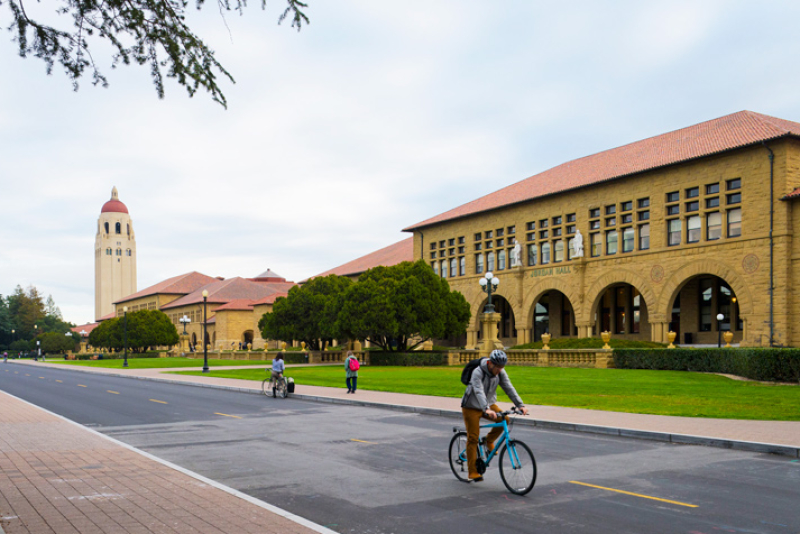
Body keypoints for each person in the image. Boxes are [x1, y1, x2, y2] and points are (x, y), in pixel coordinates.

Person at [461, 349, 529, 482]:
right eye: (497, 367)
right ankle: (472, 471)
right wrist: (485, 409)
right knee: (473, 437)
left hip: (489, 404)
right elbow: (478, 391)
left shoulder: (500, 372)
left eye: (501, 367)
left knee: (505, 419)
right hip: (471, 406)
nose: (499, 370)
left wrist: (520, 405)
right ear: (490, 363)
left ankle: (489, 440)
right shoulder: (478, 372)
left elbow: (509, 388)